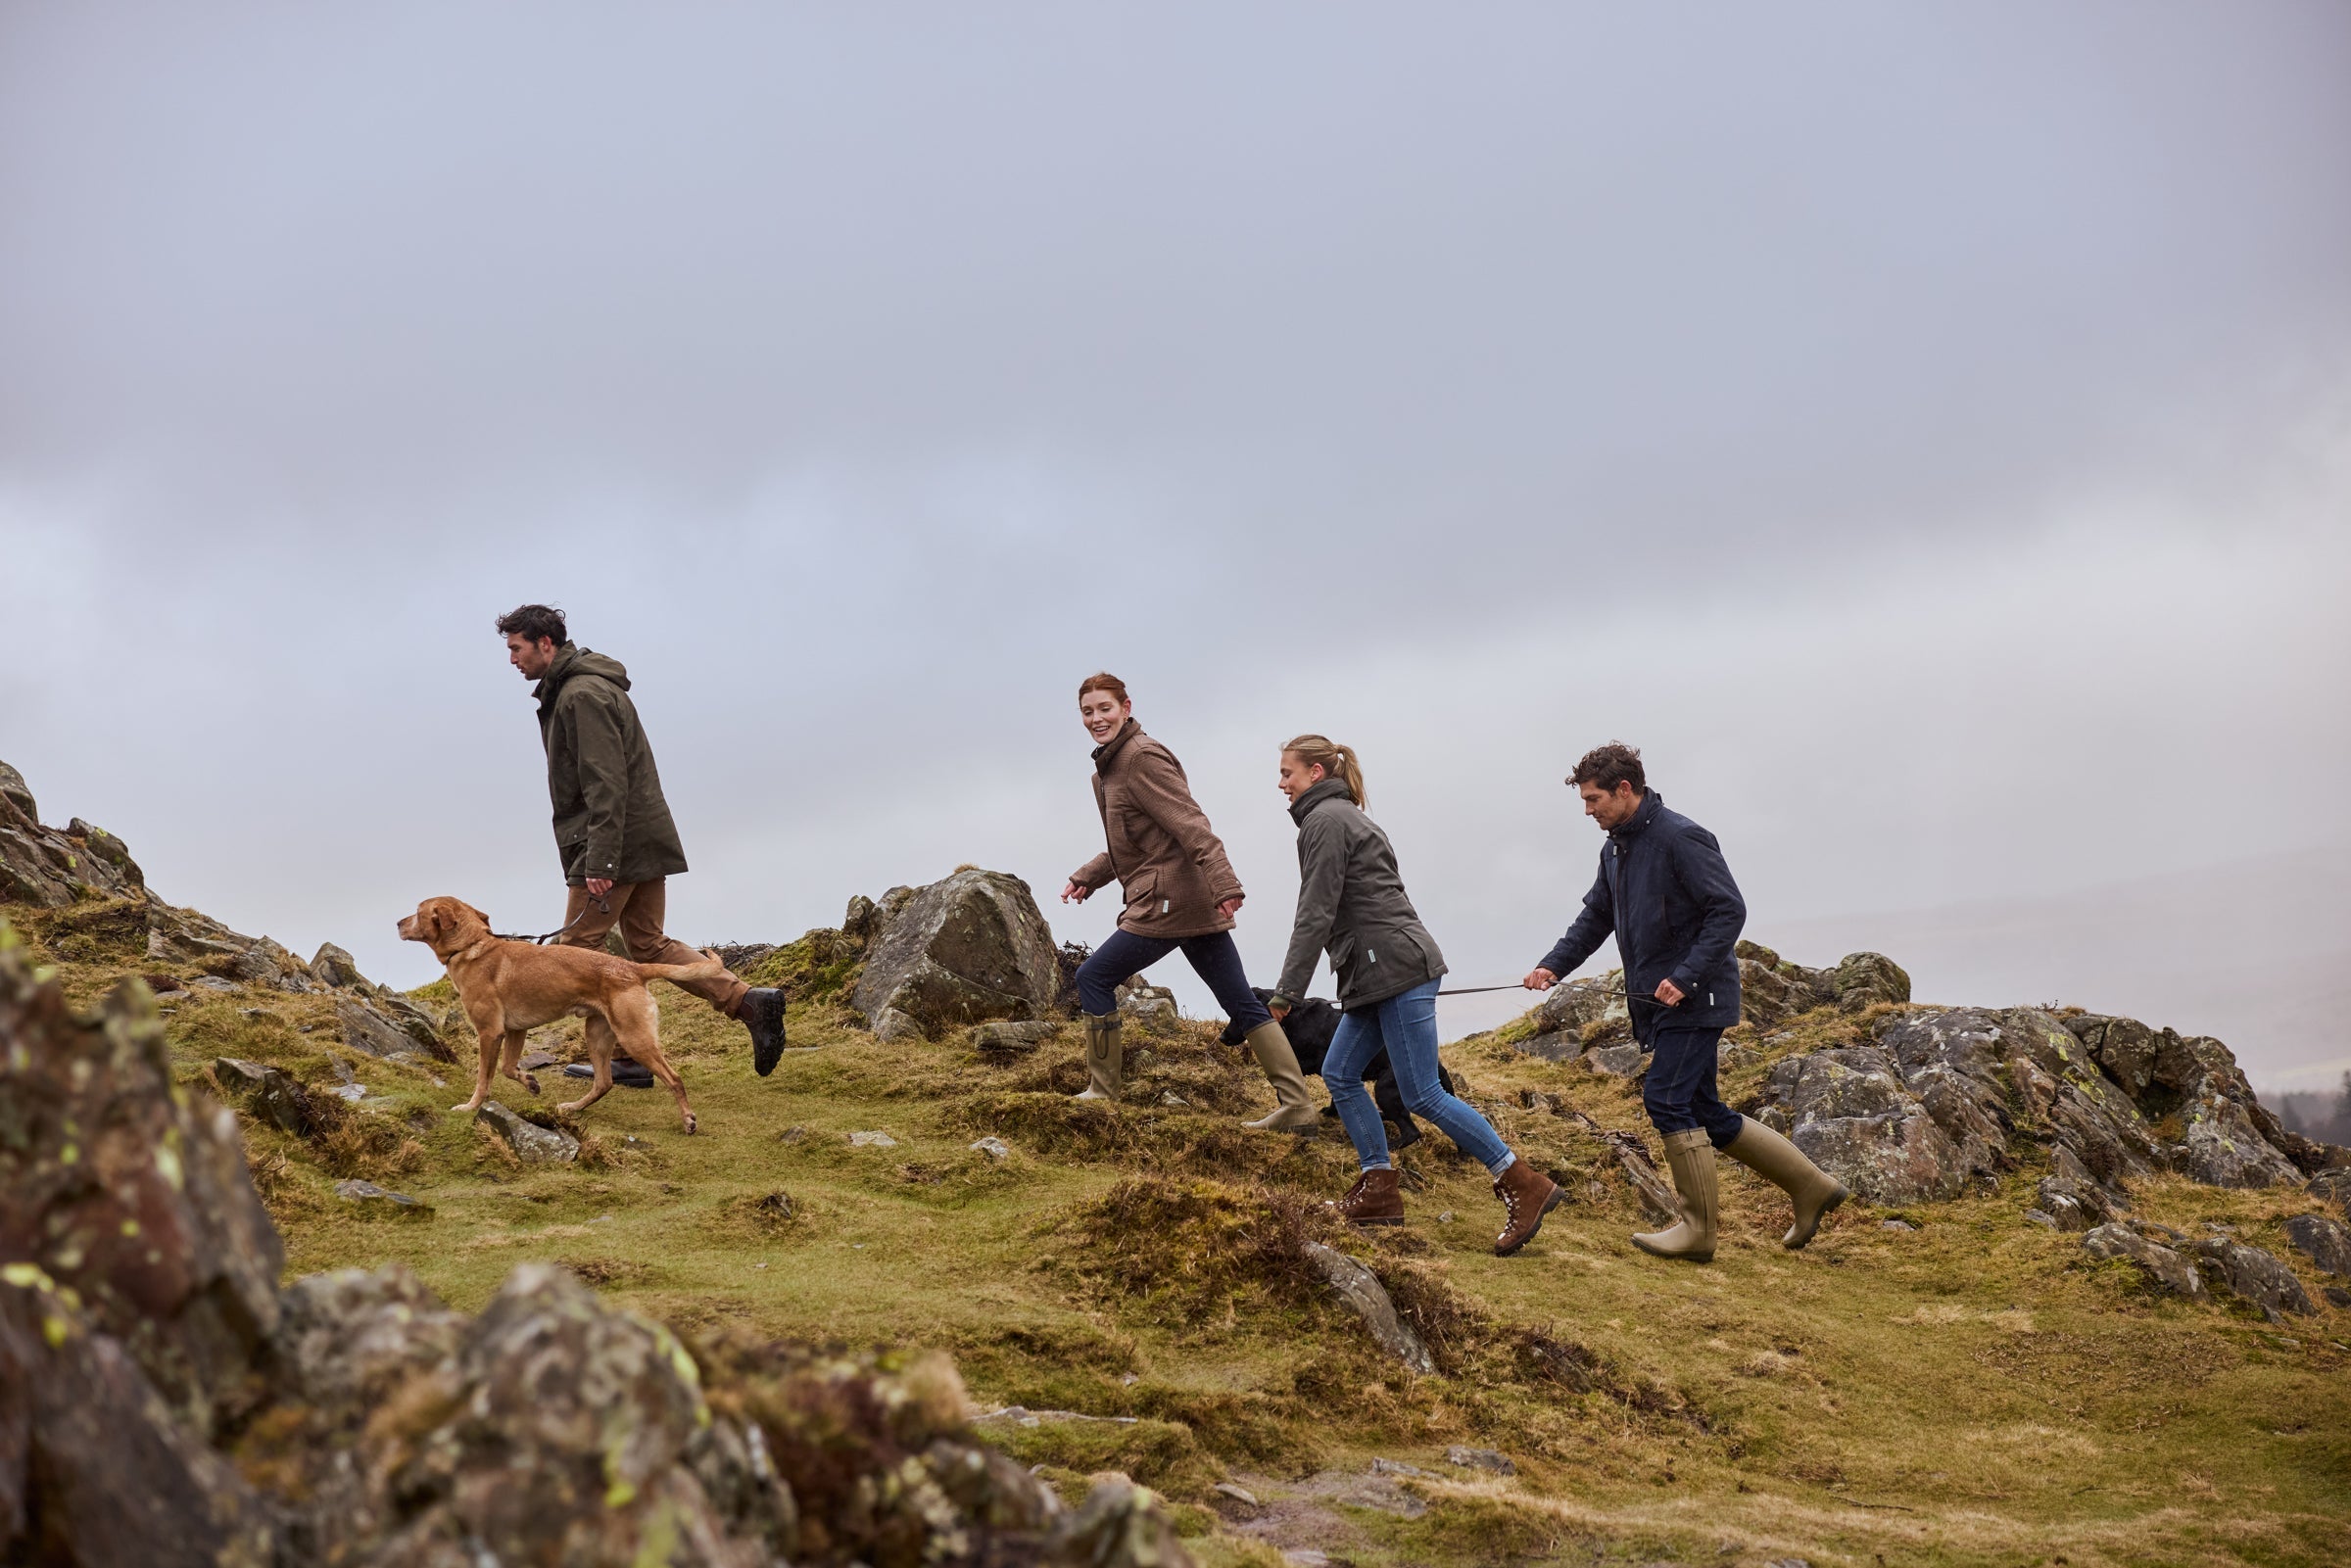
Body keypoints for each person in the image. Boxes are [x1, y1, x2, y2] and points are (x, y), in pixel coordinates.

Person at [1524, 741, 1847, 1262]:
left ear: (1624, 790)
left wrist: (1686, 977)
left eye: (1593, 800)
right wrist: (1551, 965)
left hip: (1697, 999)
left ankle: (1698, 1232)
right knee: (1704, 1111)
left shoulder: (1682, 836)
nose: (1588, 811)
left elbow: (1729, 910)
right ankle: (1812, 1188)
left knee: (1667, 1100)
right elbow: (1594, 919)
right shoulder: (1615, 848)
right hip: (1660, 1004)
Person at [1270, 735, 1563, 1255]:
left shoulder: (1325, 821)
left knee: (1424, 1092)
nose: (1280, 783)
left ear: (1315, 773)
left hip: (1395, 971)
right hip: (1376, 972)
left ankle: (1523, 1183)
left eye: (1287, 773)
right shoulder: (1343, 818)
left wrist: (1288, 990)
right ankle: (1378, 1190)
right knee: (1340, 1073)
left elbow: (1314, 911)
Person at [497, 604, 789, 1076]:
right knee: (647, 945)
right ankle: (748, 1004)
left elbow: (605, 782)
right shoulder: (585, 687)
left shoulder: (580, 694)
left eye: (516, 648)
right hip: (642, 835)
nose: (512, 659)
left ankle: (621, 1058)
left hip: (615, 844)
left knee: (576, 950)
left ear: (544, 643)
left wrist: (601, 862)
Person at [1060, 674, 1318, 1130]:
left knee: (1093, 976)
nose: (1096, 719)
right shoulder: (1111, 769)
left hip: (1169, 900)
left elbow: (1192, 826)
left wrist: (1225, 884)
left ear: (1126, 707)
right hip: (1183, 897)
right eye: (1087, 711)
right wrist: (1089, 877)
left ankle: (1102, 1091)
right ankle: (1297, 1106)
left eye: (1104, 708)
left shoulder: (1140, 758)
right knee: (1239, 999)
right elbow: (1136, 844)